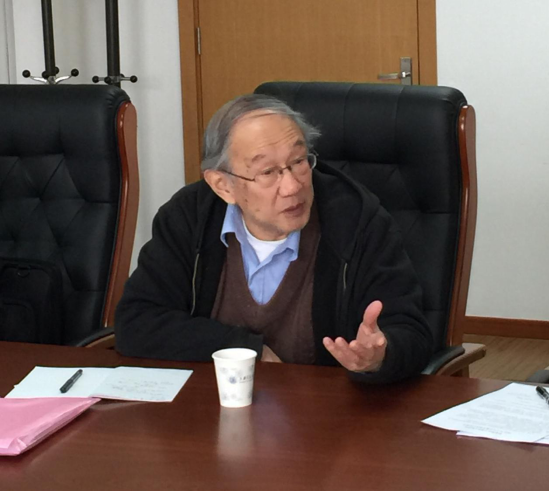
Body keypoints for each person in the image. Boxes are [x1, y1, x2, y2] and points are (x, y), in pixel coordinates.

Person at [115, 94, 433, 383]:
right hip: (212, 410)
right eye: (268, 172)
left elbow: (412, 334)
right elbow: (136, 323)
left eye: (299, 162)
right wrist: (246, 350)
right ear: (223, 185)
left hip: (327, 416)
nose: (293, 186)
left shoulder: (356, 219)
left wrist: (379, 357)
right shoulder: (189, 217)